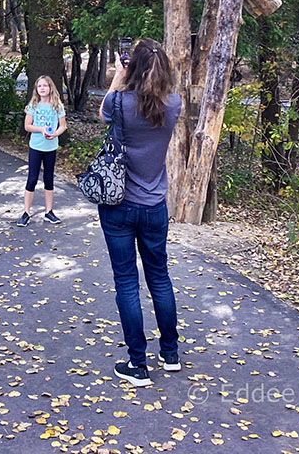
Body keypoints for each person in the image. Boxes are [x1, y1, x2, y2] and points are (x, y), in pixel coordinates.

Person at [98, 37, 182, 388]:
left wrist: (119, 75)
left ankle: (137, 363)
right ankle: (170, 352)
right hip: (154, 206)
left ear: (133, 67)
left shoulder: (119, 102)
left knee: (126, 282)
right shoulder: (174, 104)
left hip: (118, 206)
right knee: (159, 277)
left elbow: (103, 113)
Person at [16, 75, 67, 226]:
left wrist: (55, 134)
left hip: (50, 148)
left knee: (49, 178)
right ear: (36, 89)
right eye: (39, 86)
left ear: (51, 87)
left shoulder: (57, 105)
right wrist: (41, 130)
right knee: (32, 178)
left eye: (45, 85)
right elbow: (27, 126)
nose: (42, 88)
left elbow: (63, 126)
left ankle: (49, 212)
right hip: (36, 147)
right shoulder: (34, 105)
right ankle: (26, 212)